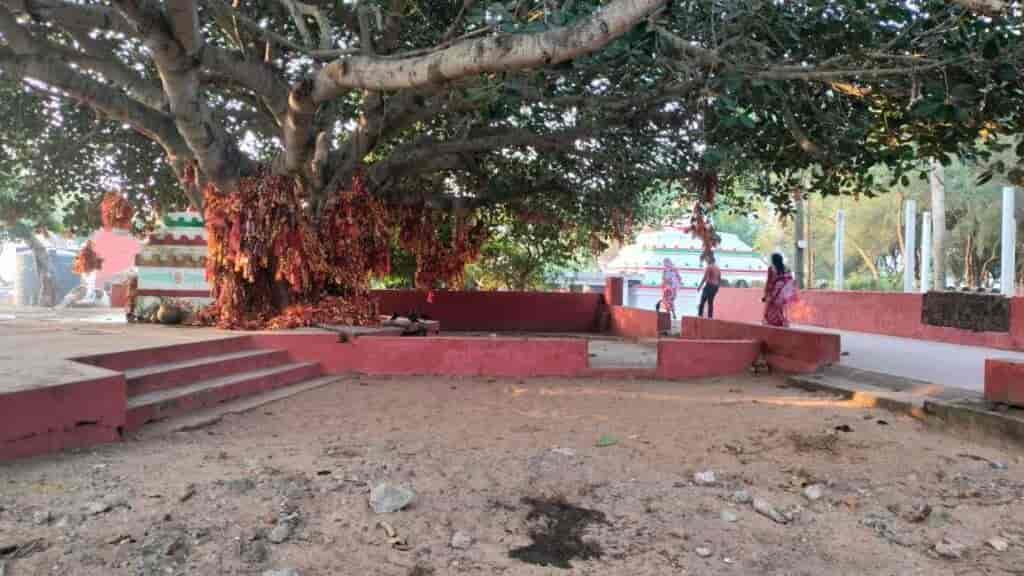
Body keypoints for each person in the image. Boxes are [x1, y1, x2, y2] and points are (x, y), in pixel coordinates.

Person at [763, 253, 796, 327]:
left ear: (773, 260)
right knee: (780, 307)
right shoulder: (787, 268)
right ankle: (783, 321)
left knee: (770, 306)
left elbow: (769, 282)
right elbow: (790, 280)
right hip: (785, 291)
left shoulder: (771, 268)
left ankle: (776, 321)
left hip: (775, 291)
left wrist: (766, 293)